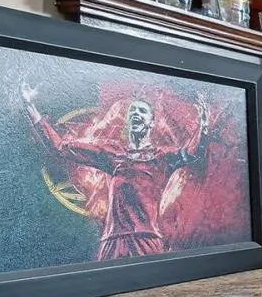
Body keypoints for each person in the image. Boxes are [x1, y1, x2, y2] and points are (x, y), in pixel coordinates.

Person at [21, 82, 209, 261]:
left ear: (151, 123)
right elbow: (60, 147)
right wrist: (30, 105)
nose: (136, 114)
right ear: (127, 121)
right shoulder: (112, 153)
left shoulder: (162, 157)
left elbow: (191, 153)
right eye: (132, 111)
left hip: (146, 240)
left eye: (142, 111)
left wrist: (203, 126)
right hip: (113, 242)